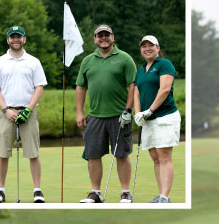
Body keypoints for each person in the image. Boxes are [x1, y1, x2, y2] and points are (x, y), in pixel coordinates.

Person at [76, 24, 136, 203]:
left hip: (120, 116)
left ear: (113, 37)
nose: (103, 38)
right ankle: (96, 193)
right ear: (94, 39)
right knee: (93, 154)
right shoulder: (87, 61)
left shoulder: (125, 58)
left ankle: (125, 192)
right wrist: (80, 112)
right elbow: (81, 87)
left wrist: (128, 110)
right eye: (99, 35)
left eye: (106, 35)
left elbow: (132, 85)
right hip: (94, 116)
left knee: (121, 154)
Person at [0, 25, 47, 203]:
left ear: (24, 39)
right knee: (3, 152)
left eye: (19, 37)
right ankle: (0, 190)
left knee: (33, 152)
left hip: (29, 111)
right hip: (7, 112)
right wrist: (6, 110)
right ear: (8, 40)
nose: (16, 40)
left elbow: (39, 87)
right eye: (12, 37)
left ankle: (37, 190)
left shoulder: (33, 61)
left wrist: (28, 109)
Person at [133, 35, 180, 203]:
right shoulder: (141, 69)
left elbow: (165, 89)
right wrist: (138, 113)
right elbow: (136, 92)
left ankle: (165, 197)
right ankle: (161, 195)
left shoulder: (165, 64)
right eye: (144, 46)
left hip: (165, 117)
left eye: (151, 45)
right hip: (148, 120)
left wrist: (150, 110)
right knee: (155, 157)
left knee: (164, 156)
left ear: (158, 48)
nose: (147, 48)